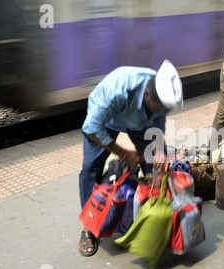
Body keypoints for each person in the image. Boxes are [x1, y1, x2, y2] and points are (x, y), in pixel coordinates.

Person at [78, 60, 183, 256]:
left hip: (141, 122)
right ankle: (90, 226)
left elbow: (158, 122)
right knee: (90, 167)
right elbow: (91, 128)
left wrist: (159, 149)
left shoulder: (160, 95)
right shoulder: (117, 90)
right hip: (107, 121)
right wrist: (124, 154)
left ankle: (151, 216)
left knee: (158, 165)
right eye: (160, 107)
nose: (163, 111)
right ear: (147, 94)